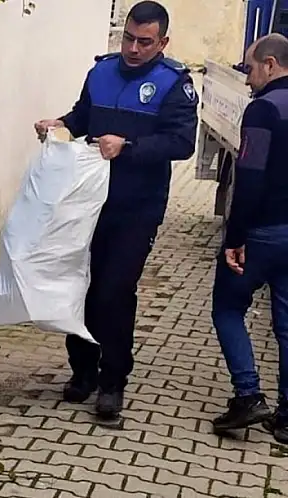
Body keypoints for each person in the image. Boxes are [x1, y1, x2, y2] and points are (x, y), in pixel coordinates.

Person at [33, 0, 198, 418]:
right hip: (86, 202)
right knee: (81, 285)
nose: (134, 48)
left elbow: (182, 143)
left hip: (137, 208)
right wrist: (61, 124)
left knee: (113, 292)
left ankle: (113, 381)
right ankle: (82, 372)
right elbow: (83, 116)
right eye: (128, 38)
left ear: (162, 42)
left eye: (145, 42)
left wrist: (129, 147)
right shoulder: (101, 71)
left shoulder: (173, 83)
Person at [211, 33, 288, 442]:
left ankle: (248, 396)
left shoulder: (263, 111)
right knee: (287, 326)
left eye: (249, 68)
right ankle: (287, 418)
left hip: (264, 233)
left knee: (226, 308)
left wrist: (234, 238)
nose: (247, 78)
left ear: (271, 65)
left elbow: (251, 178)